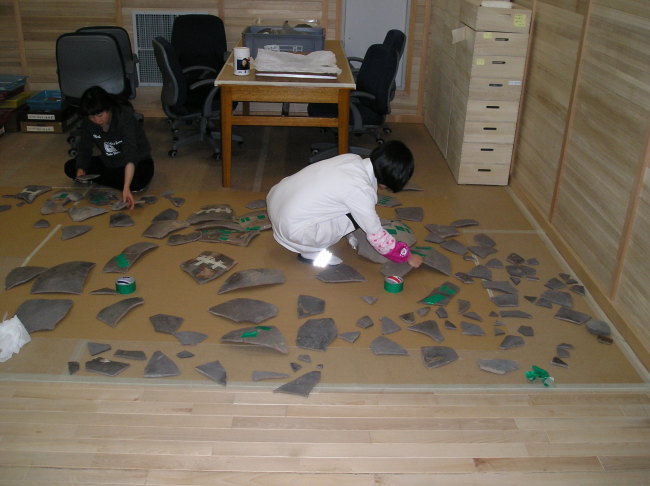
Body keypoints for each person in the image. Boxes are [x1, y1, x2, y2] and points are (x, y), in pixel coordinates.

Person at [266, 140, 423, 268]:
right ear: (387, 183)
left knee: (348, 208)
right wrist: (406, 255)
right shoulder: (361, 190)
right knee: (356, 218)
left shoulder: (352, 159)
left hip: (277, 201)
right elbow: (376, 236)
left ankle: (311, 239)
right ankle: (311, 252)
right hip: (293, 229)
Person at [64, 86, 154, 209]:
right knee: (70, 167)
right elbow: (85, 147)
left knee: (136, 183)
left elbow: (131, 154)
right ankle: (114, 179)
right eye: (92, 117)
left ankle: (116, 180)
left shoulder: (125, 117)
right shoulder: (88, 121)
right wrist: (81, 168)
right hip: (110, 162)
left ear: (109, 109)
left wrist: (126, 187)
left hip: (137, 161)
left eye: (100, 115)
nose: (96, 120)